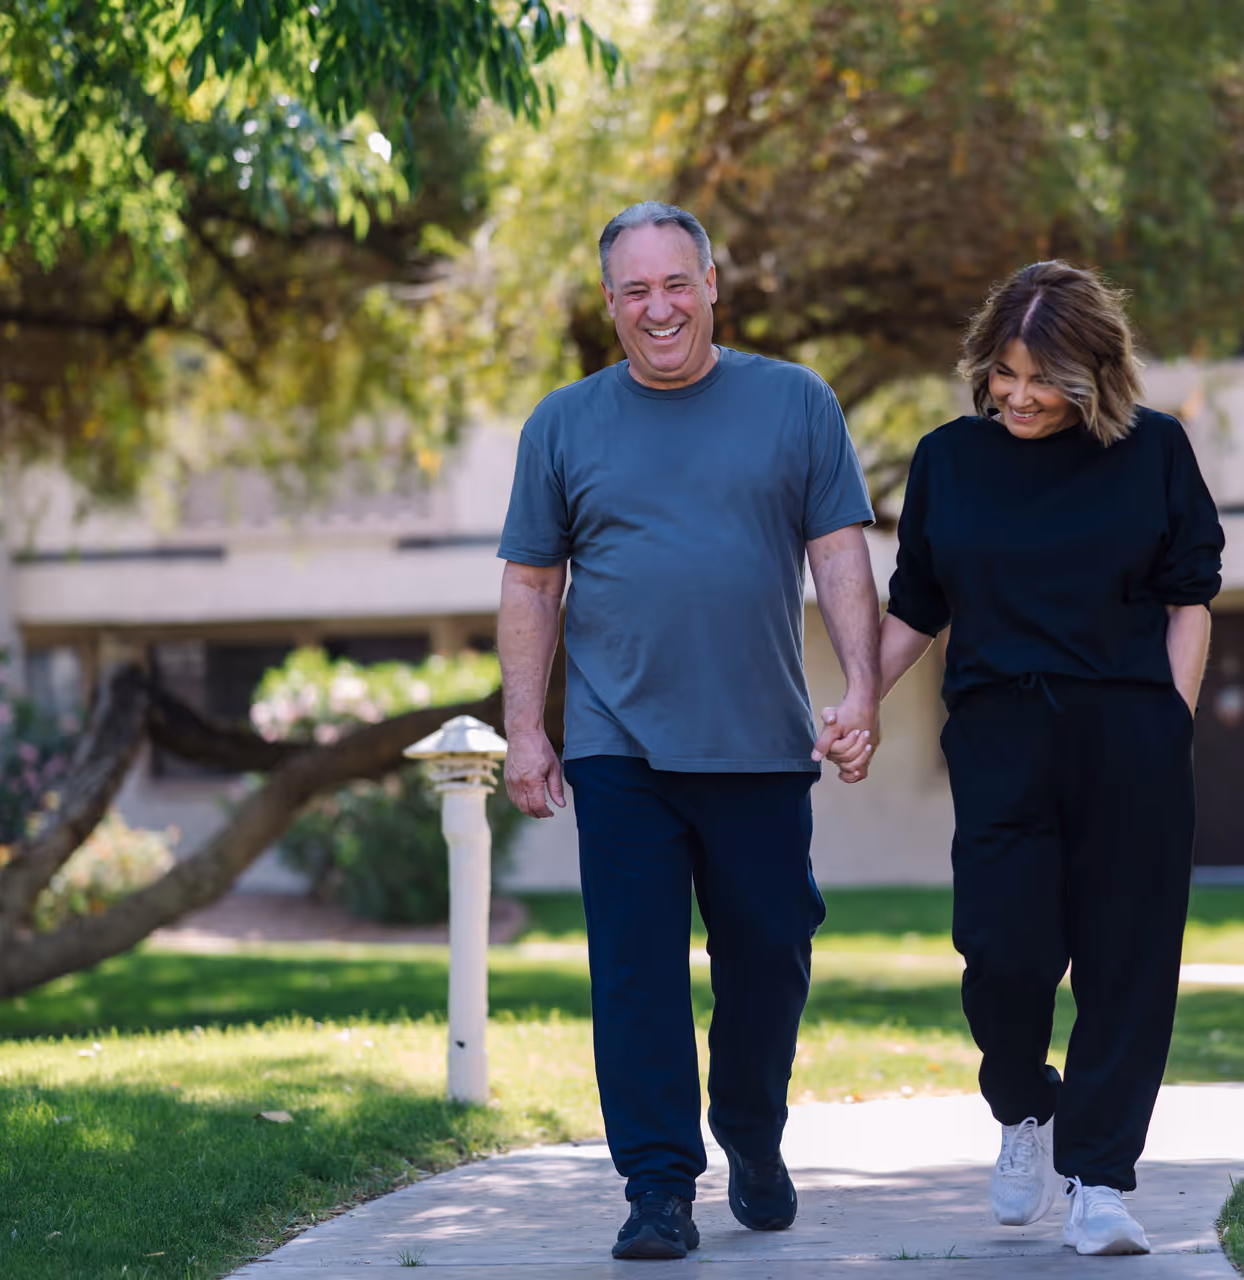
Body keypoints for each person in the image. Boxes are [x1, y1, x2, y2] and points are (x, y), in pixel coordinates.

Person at [495, 201, 881, 1261]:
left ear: (712, 284)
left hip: (760, 740)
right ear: (610, 302)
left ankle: (752, 1131)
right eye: (634, 290)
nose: (657, 308)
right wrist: (528, 729)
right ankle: (658, 1182)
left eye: (675, 284)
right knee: (636, 969)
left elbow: (840, 553)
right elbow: (532, 583)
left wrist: (862, 691)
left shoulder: (795, 401)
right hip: (619, 745)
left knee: (770, 951)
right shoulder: (562, 425)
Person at [854, 259, 1223, 1255]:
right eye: (1002, 372)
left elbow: (1191, 597)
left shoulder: (1154, 452)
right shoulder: (950, 460)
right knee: (1003, 953)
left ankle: (1100, 1179)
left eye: (1042, 376)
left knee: (1127, 965)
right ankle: (1025, 1106)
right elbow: (919, 605)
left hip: (1130, 733)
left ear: (1094, 373)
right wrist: (859, 702)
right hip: (1001, 733)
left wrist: (1171, 723)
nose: (1017, 393)